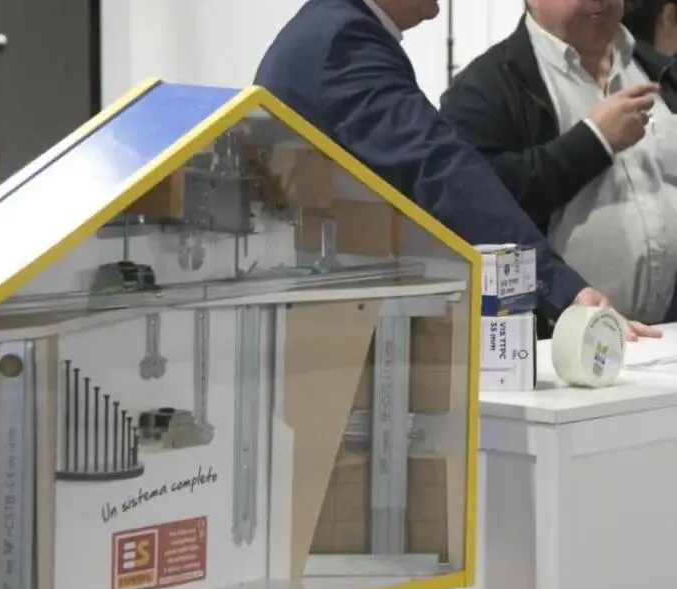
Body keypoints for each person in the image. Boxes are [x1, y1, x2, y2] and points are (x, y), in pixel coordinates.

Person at [254, 0, 660, 339]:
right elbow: (441, 175)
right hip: (333, 331)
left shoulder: (336, 33)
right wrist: (562, 288)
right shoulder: (345, 44)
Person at [440, 0, 677, 330]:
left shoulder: (659, 70)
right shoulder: (483, 88)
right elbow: (479, 203)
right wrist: (594, 142)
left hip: (665, 338)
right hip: (556, 343)